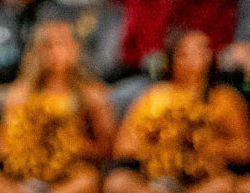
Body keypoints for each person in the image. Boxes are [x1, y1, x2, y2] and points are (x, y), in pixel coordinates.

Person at [0, 17, 114, 193]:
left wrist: (68, 145)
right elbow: (1, 146)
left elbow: (108, 149)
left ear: (76, 48)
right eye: (49, 45)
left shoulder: (93, 94)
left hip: (68, 175)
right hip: (21, 177)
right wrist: (28, 143)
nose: (56, 52)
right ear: (37, 51)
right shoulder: (21, 92)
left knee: (87, 180)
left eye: (63, 44)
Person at [104, 29, 250, 193]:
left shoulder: (223, 97)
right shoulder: (154, 95)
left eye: (203, 49)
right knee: (118, 182)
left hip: (205, 179)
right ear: (173, 57)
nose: (198, 56)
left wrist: (212, 146)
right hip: (156, 178)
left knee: (226, 185)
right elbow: (123, 147)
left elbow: (244, 148)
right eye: (188, 52)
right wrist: (158, 142)